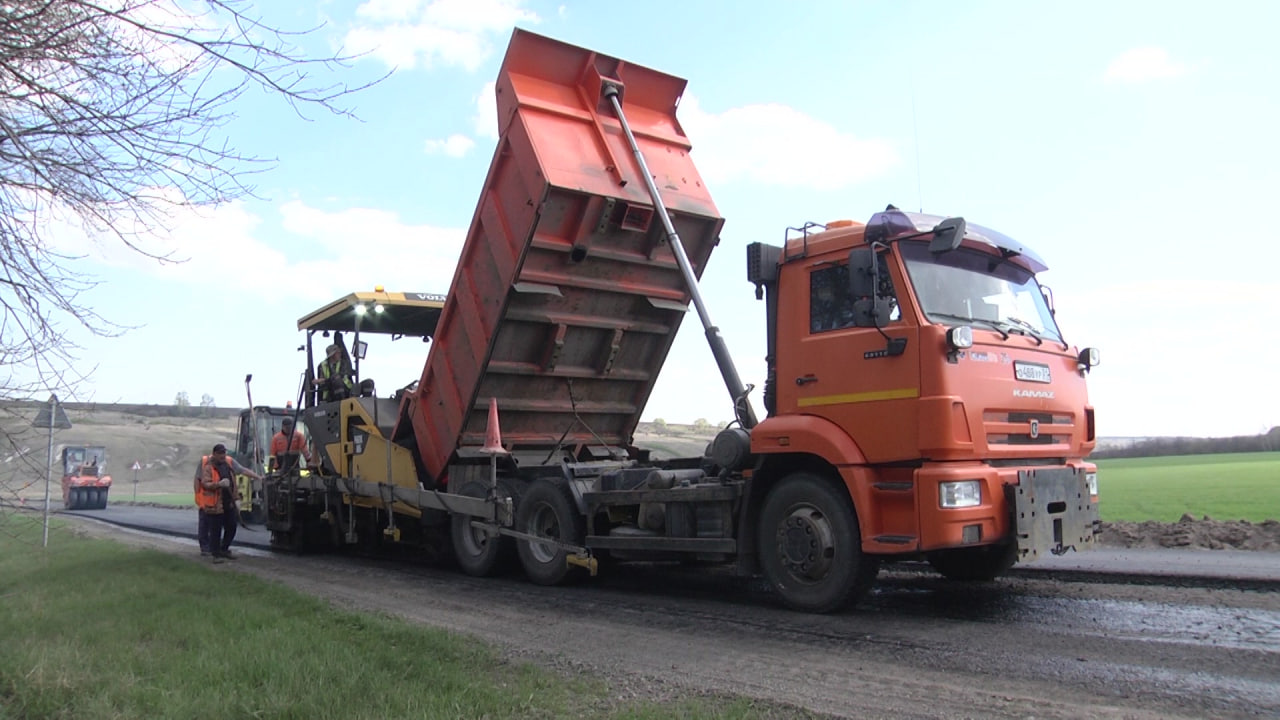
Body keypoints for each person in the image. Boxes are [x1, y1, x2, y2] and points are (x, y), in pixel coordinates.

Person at [193, 443, 261, 560]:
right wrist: (200, 495)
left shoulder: (229, 463)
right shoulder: (206, 464)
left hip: (227, 501)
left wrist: (258, 477)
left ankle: (223, 548)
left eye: (224, 453)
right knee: (210, 528)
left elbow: (242, 471)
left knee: (231, 526)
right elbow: (200, 481)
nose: (222, 456)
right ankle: (209, 550)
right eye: (220, 453)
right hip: (211, 502)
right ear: (214, 454)